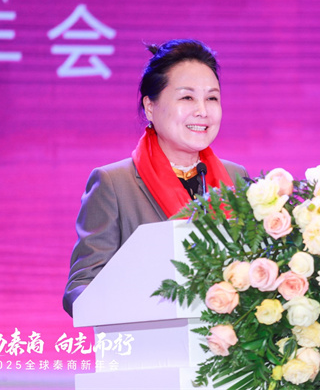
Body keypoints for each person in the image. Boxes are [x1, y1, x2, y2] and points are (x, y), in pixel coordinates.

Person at [63, 39, 248, 317]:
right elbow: (80, 288)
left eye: (212, 98)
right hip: (147, 339)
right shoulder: (113, 183)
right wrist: (137, 306)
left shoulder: (236, 177)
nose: (202, 110)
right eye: (187, 98)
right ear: (150, 107)